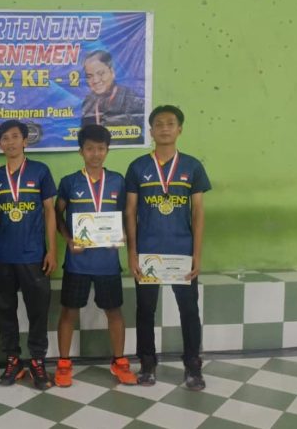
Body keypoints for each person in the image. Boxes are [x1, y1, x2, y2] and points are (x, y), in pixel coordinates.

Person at [124, 105, 212, 390]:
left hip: (181, 252)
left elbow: (198, 212)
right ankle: (147, 365)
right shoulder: (138, 166)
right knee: (145, 310)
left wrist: (197, 254)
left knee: (189, 310)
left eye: (170, 123)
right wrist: (132, 252)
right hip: (148, 253)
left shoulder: (192, 166)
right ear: (150, 130)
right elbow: (130, 211)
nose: (164, 128)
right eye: (158, 123)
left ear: (179, 129)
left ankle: (192, 366)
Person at [53, 124, 137, 387]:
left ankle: (119, 361)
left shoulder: (117, 181)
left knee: (114, 311)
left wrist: (122, 234)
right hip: (77, 262)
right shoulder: (69, 182)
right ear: (81, 151)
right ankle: (64, 363)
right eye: (90, 148)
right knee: (68, 311)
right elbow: (56, 214)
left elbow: (126, 214)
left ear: (107, 151)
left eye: (101, 148)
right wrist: (68, 239)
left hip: (108, 263)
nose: (96, 154)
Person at [0, 119, 57, 391]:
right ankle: (12, 359)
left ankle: (37, 361)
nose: (10, 142)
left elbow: (49, 212)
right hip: (3, 256)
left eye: (15, 137)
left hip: (34, 256)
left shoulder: (40, 171)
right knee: (4, 311)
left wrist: (52, 251)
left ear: (25, 140)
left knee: (38, 311)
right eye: (5, 138)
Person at [81, 50, 144, 128]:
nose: (95, 80)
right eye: (89, 76)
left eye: (100, 73)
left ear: (112, 72)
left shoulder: (130, 98)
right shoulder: (88, 102)